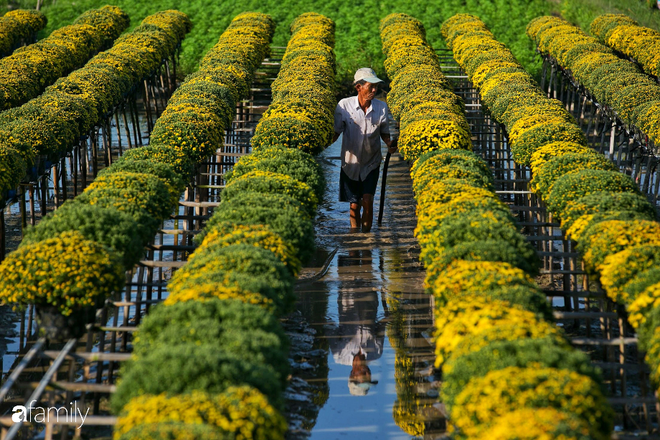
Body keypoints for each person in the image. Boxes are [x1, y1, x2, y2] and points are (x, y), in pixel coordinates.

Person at [333, 67, 397, 233]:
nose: (374, 90)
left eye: (376, 87)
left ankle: (366, 238)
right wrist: (320, 145)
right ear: (358, 88)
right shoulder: (344, 106)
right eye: (371, 87)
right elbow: (335, 133)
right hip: (350, 164)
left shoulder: (381, 108)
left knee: (367, 200)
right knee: (354, 204)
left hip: (371, 163)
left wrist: (390, 144)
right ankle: (355, 235)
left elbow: (384, 133)